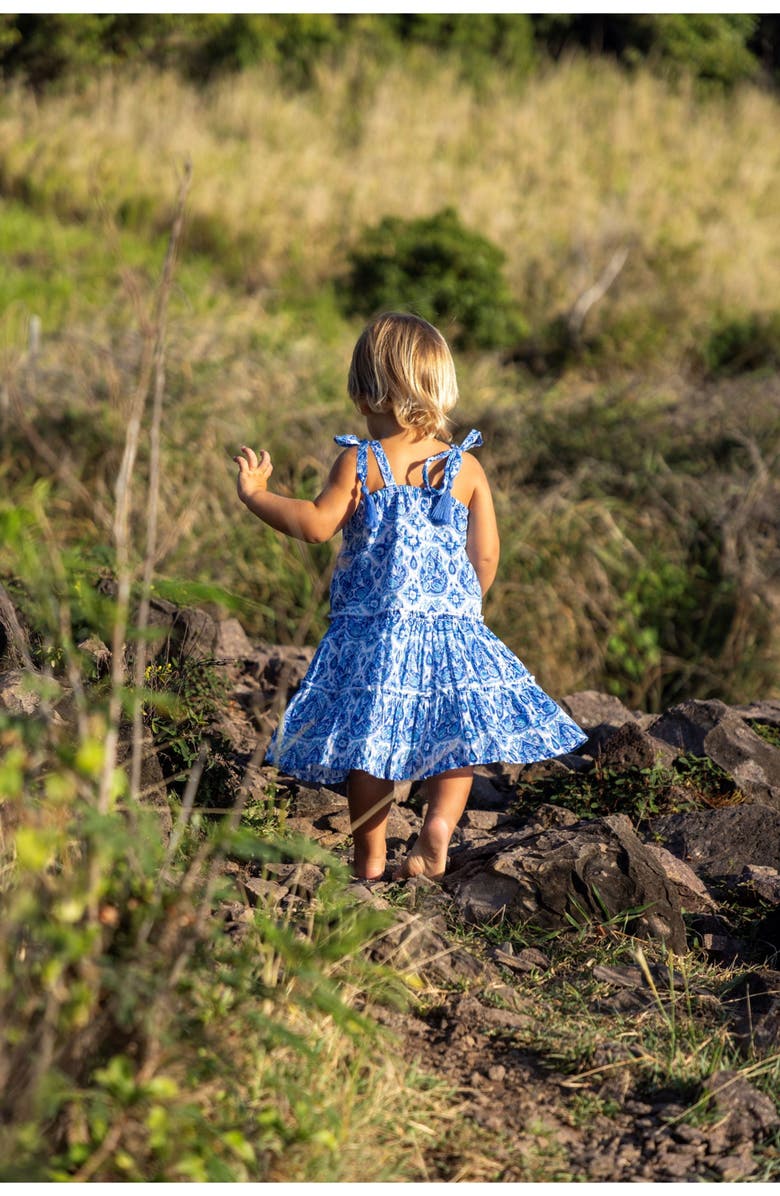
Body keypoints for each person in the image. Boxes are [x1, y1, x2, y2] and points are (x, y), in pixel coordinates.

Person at [234, 312, 587, 884]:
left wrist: (256, 495)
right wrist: (464, 608)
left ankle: (370, 857)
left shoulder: (361, 462)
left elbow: (316, 524)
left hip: (374, 631)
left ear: (368, 391)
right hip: (451, 625)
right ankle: (438, 830)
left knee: (367, 746)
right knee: (457, 734)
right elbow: (488, 553)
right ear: (438, 388)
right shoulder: (465, 467)